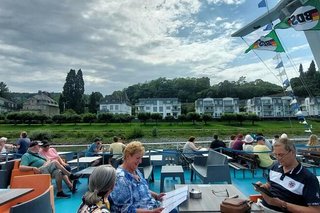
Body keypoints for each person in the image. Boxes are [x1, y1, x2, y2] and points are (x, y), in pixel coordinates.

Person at [254, 137, 320, 212]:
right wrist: (263, 188)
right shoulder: (275, 167)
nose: (278, 158)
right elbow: (269, 184)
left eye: (281, 155)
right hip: (263, 208)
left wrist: (283, 204)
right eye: (275, 155)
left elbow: (316, 210)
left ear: (292, 152)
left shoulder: (308, 179)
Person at [110, 141, 165, 212]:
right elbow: (124, 210)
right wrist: (151, 212)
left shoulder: (135, 170)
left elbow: (142, 189)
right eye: (138, 158)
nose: (140, 161)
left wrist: (156, 196)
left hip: (152, 206)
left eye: (141, 158)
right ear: (127, 156)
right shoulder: (121, 178)